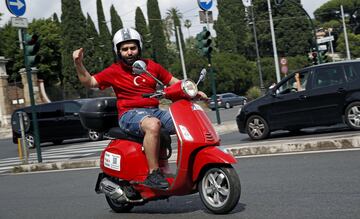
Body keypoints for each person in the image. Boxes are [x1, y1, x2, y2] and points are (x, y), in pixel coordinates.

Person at [73, 28, 206, 189]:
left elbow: (173, 82)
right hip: (129, 114)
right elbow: (90, 82)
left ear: (139, 48)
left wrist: (193, 91)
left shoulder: (152, 66)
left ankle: (191, 164)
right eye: (124, 49)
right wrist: (78, 64)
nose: (129, 52)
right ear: (118, 51)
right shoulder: (114, 71)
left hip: (153, 111)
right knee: (153, 124)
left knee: (185, 119)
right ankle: (153, 173)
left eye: (132, 48)